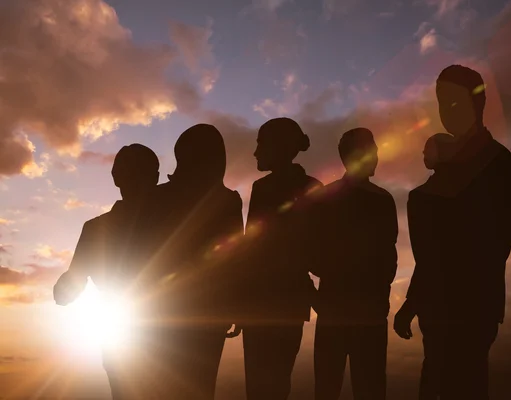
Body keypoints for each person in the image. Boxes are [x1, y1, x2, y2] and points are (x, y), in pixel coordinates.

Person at [394, 65, 511, 400]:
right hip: (440, 307)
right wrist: (415, 300)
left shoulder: (496, 162)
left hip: (470, 307)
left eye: (454, 101)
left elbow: (490, 244)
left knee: (463, 384)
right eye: (441, 102)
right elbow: (431, 250)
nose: (446, 112)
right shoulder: (446, 172)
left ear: (478, 102)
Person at [138, 124, 244, 399]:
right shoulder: (227, 199)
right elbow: (234, 257)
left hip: (163, 306)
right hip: (206, 308)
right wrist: (235, 305)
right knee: (199, 386)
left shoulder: (157, 196)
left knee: (161, 385)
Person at [53, 143, 160, 400]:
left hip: (123, 340)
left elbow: (67, 291)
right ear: (156, 178)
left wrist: (64, 286)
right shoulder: (178, 221)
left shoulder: (95, 228)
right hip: (157, 338)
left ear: (115, 177)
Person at [311, 128, 398, 400]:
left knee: (331, 386)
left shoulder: (327, 197)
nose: (376, 157)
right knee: (366, 387)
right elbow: (388, 255)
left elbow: (311, 253)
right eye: (371, 151)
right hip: (361, 311)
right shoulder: (381, 200)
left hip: (340, 308)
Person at [241, 117, 322, 400]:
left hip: (268, 302)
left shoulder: (265, 188)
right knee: (275, 384)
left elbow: (251, 248)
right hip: (285, 300)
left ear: (278, 146)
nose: (255, 152)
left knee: (264, 385)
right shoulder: (310, 186)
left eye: (261, 144)